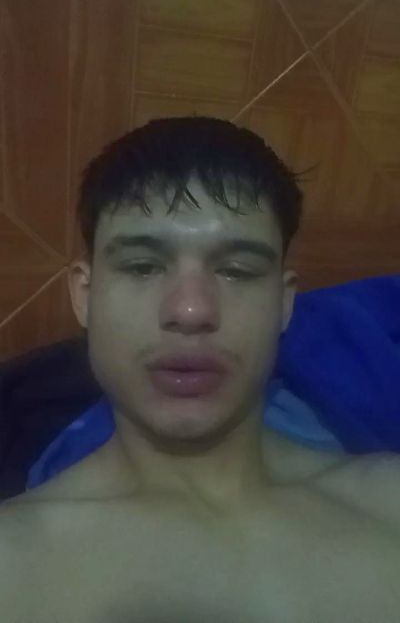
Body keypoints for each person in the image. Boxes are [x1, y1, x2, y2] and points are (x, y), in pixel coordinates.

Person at [1, 116, 399, 623]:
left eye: (237, 270)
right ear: (85, 296)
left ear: (283, 304)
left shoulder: (388, 502)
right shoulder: (13, 563)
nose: (191, 311)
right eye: (142, 266)